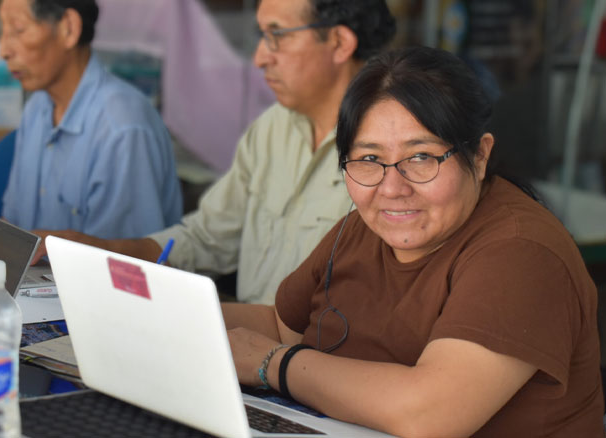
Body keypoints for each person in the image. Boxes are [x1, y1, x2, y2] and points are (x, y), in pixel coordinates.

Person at [224, 46, 604, 437]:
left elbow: (429, 414)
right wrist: (172, 313)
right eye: (369, 159)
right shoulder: (363, 228)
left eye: (421, 157)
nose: (392, 188)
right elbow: (281, 325)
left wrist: (273, 364)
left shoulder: (523, 253)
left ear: (479, 156)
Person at [31, 0, 397, 304]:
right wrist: (98, 250)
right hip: (251, 360)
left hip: (320, 370)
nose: (260, 58)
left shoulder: (391, 151)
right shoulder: (272, 129)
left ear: (339, 42)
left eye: (276, 36)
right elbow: (206, 240)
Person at [0, 0, 182, 238]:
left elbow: (120, 267)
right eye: (3, 32)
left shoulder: (122, 127)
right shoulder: (36, 109)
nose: (3, 50)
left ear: (69, 29)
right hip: (35, 274)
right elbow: (11, 227)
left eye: (19, 30)